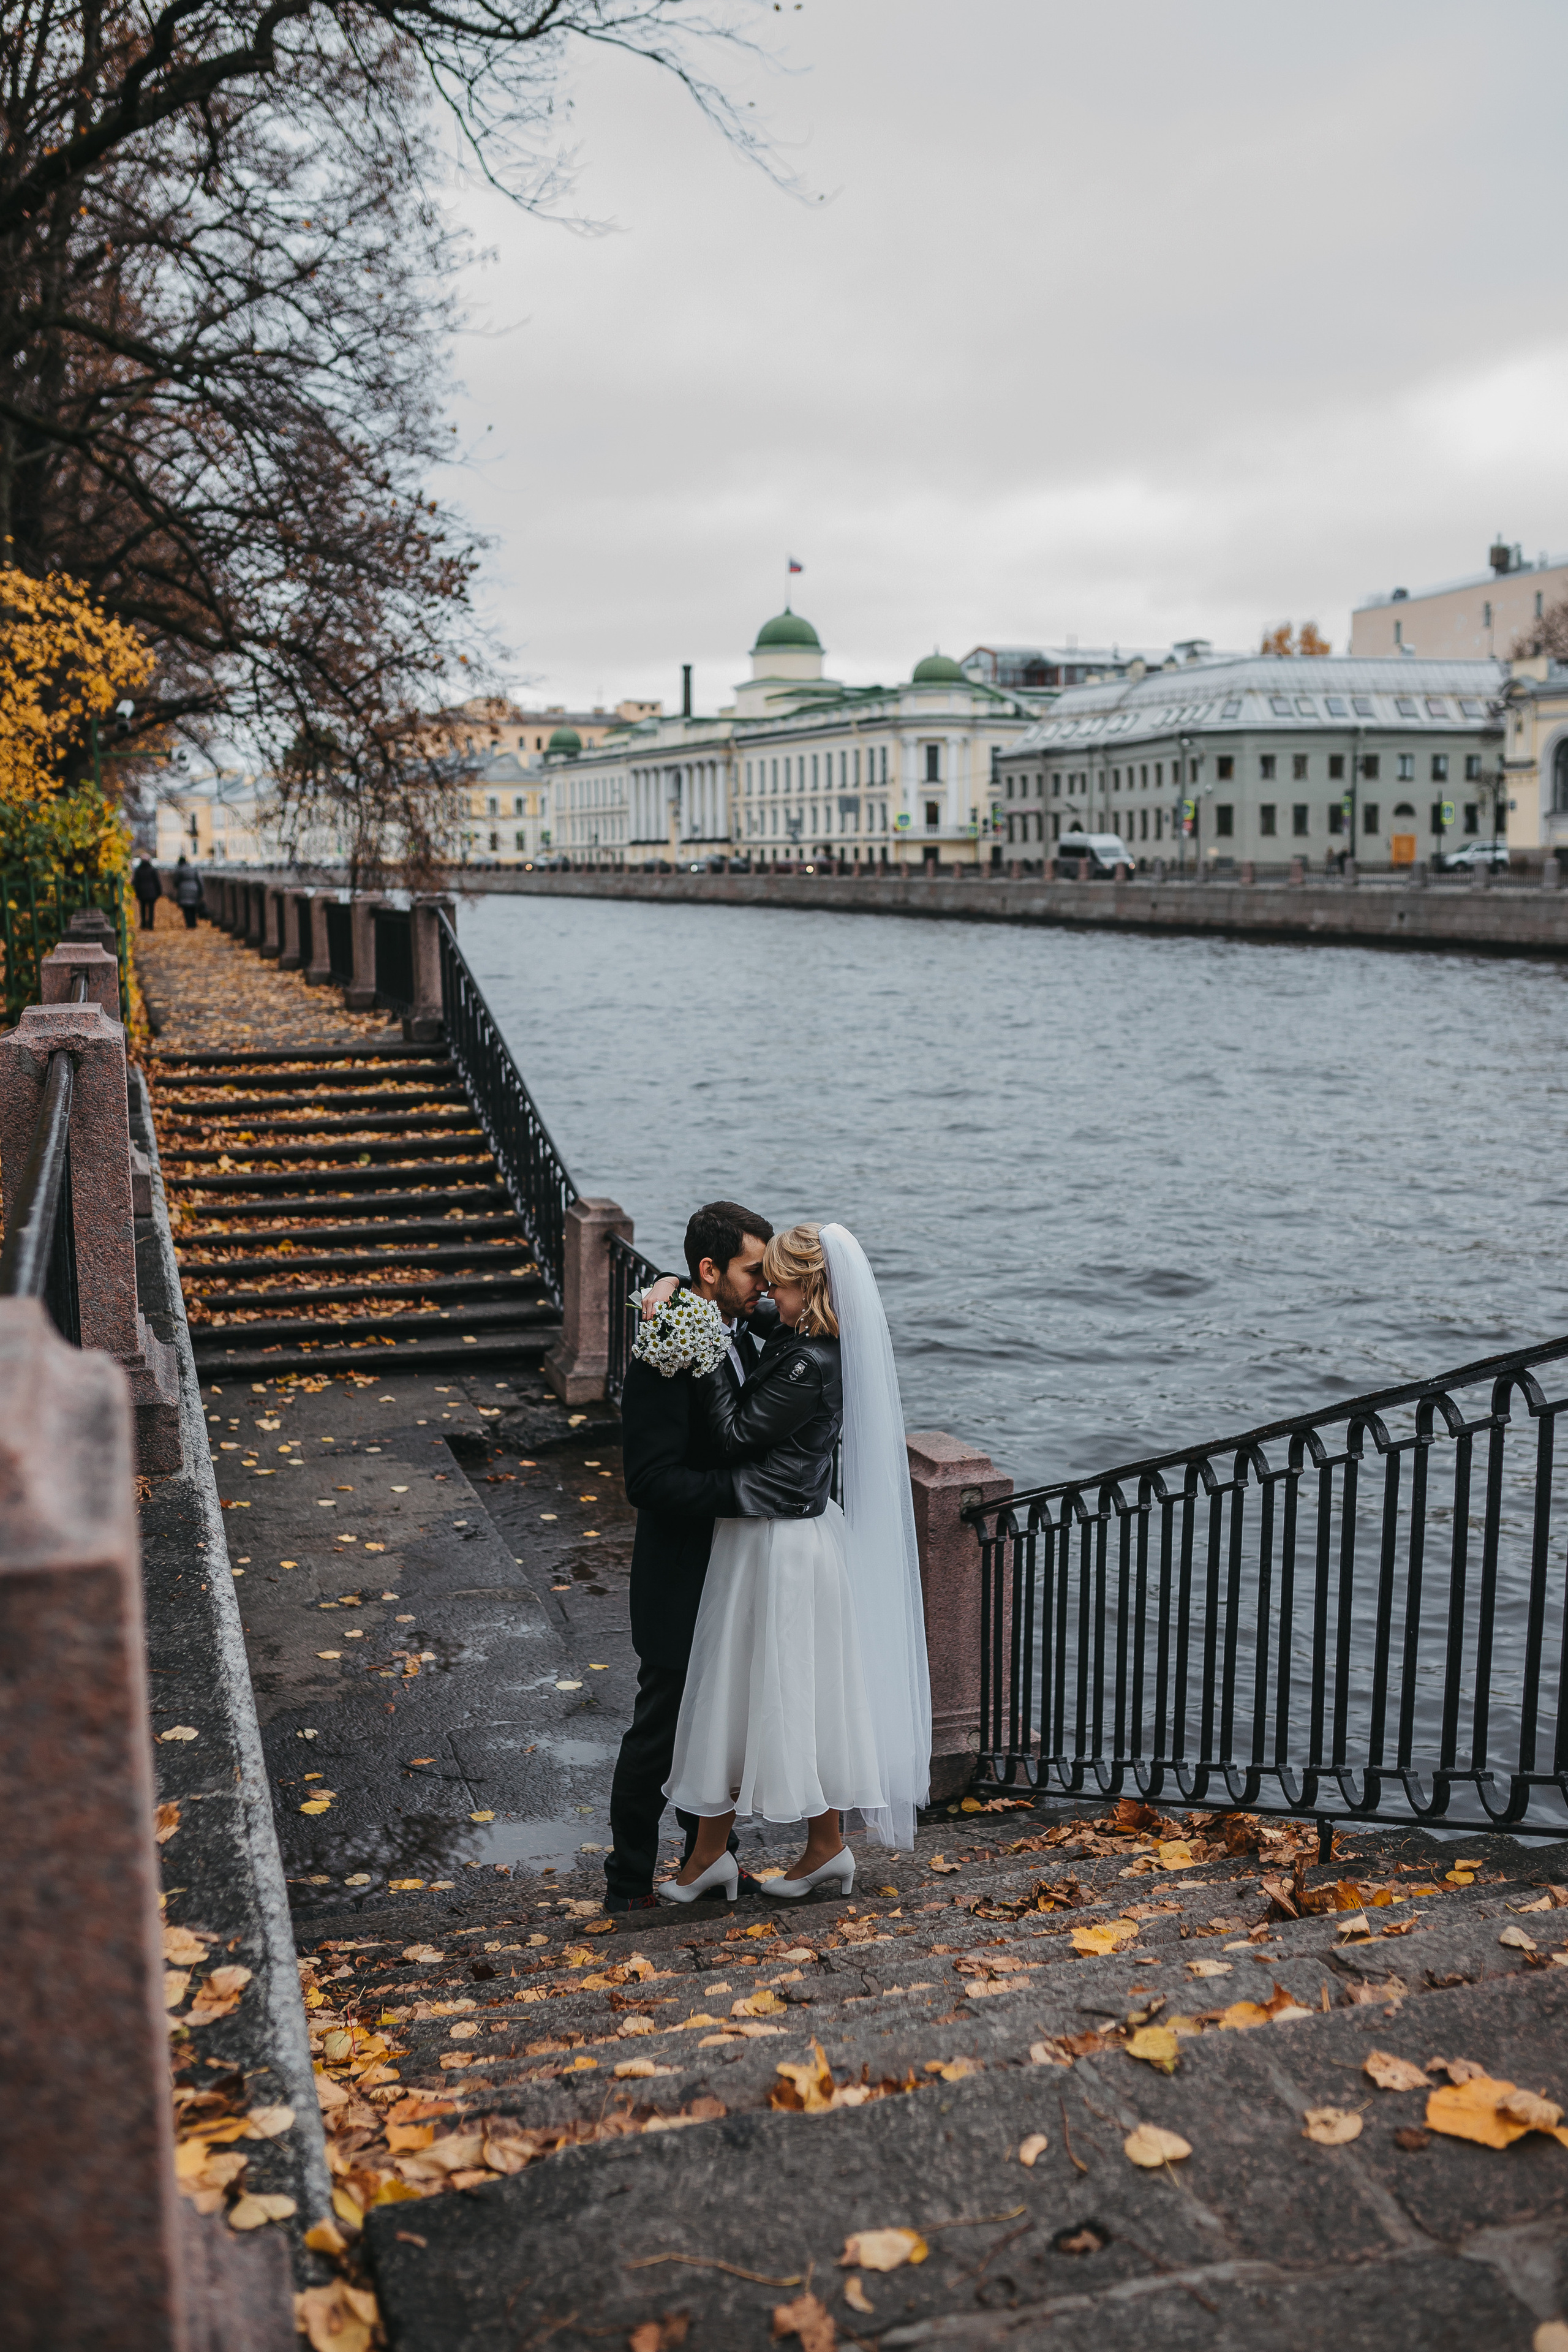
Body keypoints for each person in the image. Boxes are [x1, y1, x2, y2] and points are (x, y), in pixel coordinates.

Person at [660, 1223, 932, 1904]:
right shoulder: (803, 1342)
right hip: (771, 1533)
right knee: (762, 1693)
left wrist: (705, 1344)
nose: (765, 1291)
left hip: (779, 1545)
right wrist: (684, 1293)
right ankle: (795, 1850)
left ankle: (761, 1854)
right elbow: (748, 1316)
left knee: (768, 1693)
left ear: (805, 1289)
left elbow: (730, 1437)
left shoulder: (810, 1363)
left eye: (775, 1281)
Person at [603, 1200, 774, 1912]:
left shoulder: (733, 1321)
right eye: (752, 1271)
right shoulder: (662, 1350)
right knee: (661, 1731)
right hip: (680, 1573)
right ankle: (628, 1883)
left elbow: (785, 1310)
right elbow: (646, 1480)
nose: (764, 1284)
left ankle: (713, 1861)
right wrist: (742, 1490)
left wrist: (669, 1283)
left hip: (730, 1571)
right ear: (712, 1271)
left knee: (720, 1727)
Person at [173, 855, 203, 929]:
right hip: (194, 889)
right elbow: (200, 881)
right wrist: (201, 891)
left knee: (186, 908)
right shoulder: (193, 869)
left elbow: (176, 882)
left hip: (183, 890)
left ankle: (189, 924)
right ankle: (194, 923)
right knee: (193, 907)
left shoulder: (179, 870)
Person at [132, 857, 162, 929]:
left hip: (142, 892)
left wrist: (136, 892)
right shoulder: (152, 870)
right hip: (152, 892)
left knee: (143, 908)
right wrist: (159, 892)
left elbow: (135, 883)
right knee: (151, 909)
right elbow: (157, 882)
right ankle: (151, 925)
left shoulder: (138, 870)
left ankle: (143, 924)